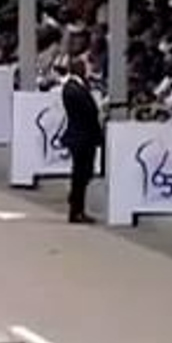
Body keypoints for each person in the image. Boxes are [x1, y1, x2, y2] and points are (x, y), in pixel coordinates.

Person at [60, 57, 103, 223]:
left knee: (84, 173)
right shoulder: (72, 89)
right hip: (81, 137)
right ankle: (76, 208)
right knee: (80, 173)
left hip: (85, 136)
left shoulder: (78, 87)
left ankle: (77, 205)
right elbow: (87, 112)